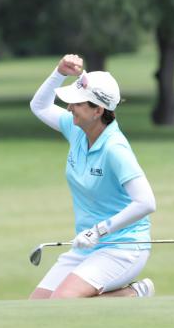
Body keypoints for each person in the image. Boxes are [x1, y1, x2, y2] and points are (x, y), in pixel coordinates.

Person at [28, 53, 157, 299]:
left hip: (123, 247)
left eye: (77, 103)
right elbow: (39, 106)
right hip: (86, 245)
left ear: (98, 110)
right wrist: (60, 73)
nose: (69, 108)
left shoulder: (115, 149)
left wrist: (99, 231)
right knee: (38, 305)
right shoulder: (76, 129)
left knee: (62, 302)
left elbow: (147, 202)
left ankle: (131, 294)